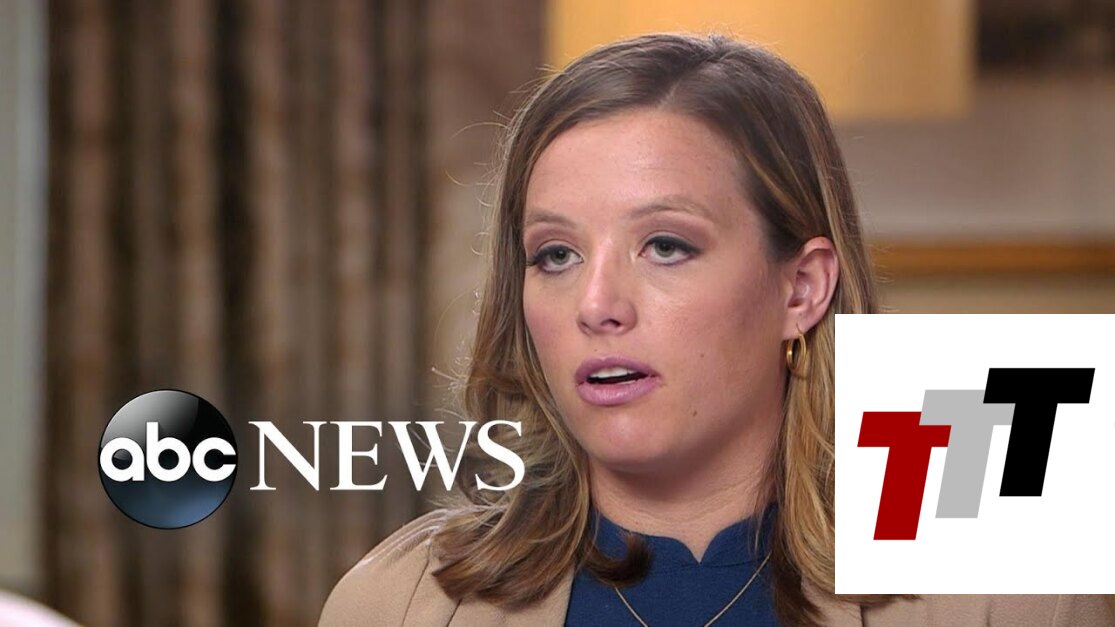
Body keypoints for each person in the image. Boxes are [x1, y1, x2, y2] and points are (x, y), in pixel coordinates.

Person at [319, 33, 1115, 626]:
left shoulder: (1009, 585)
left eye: (666, 245)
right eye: (555, 253)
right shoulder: (396, 601)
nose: (596, 302)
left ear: (801, 287)